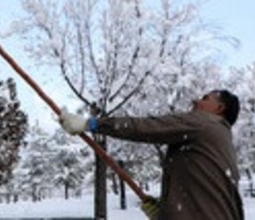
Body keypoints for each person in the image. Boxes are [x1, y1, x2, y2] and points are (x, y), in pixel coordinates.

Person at [59, 89, 243, 220]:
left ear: (219, 109)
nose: (196, 100)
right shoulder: (219, 137)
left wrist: (93, 124)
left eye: (205, 98)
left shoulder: (205, 123)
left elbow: (150, 127)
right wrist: (167, 212)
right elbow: (203, 191)